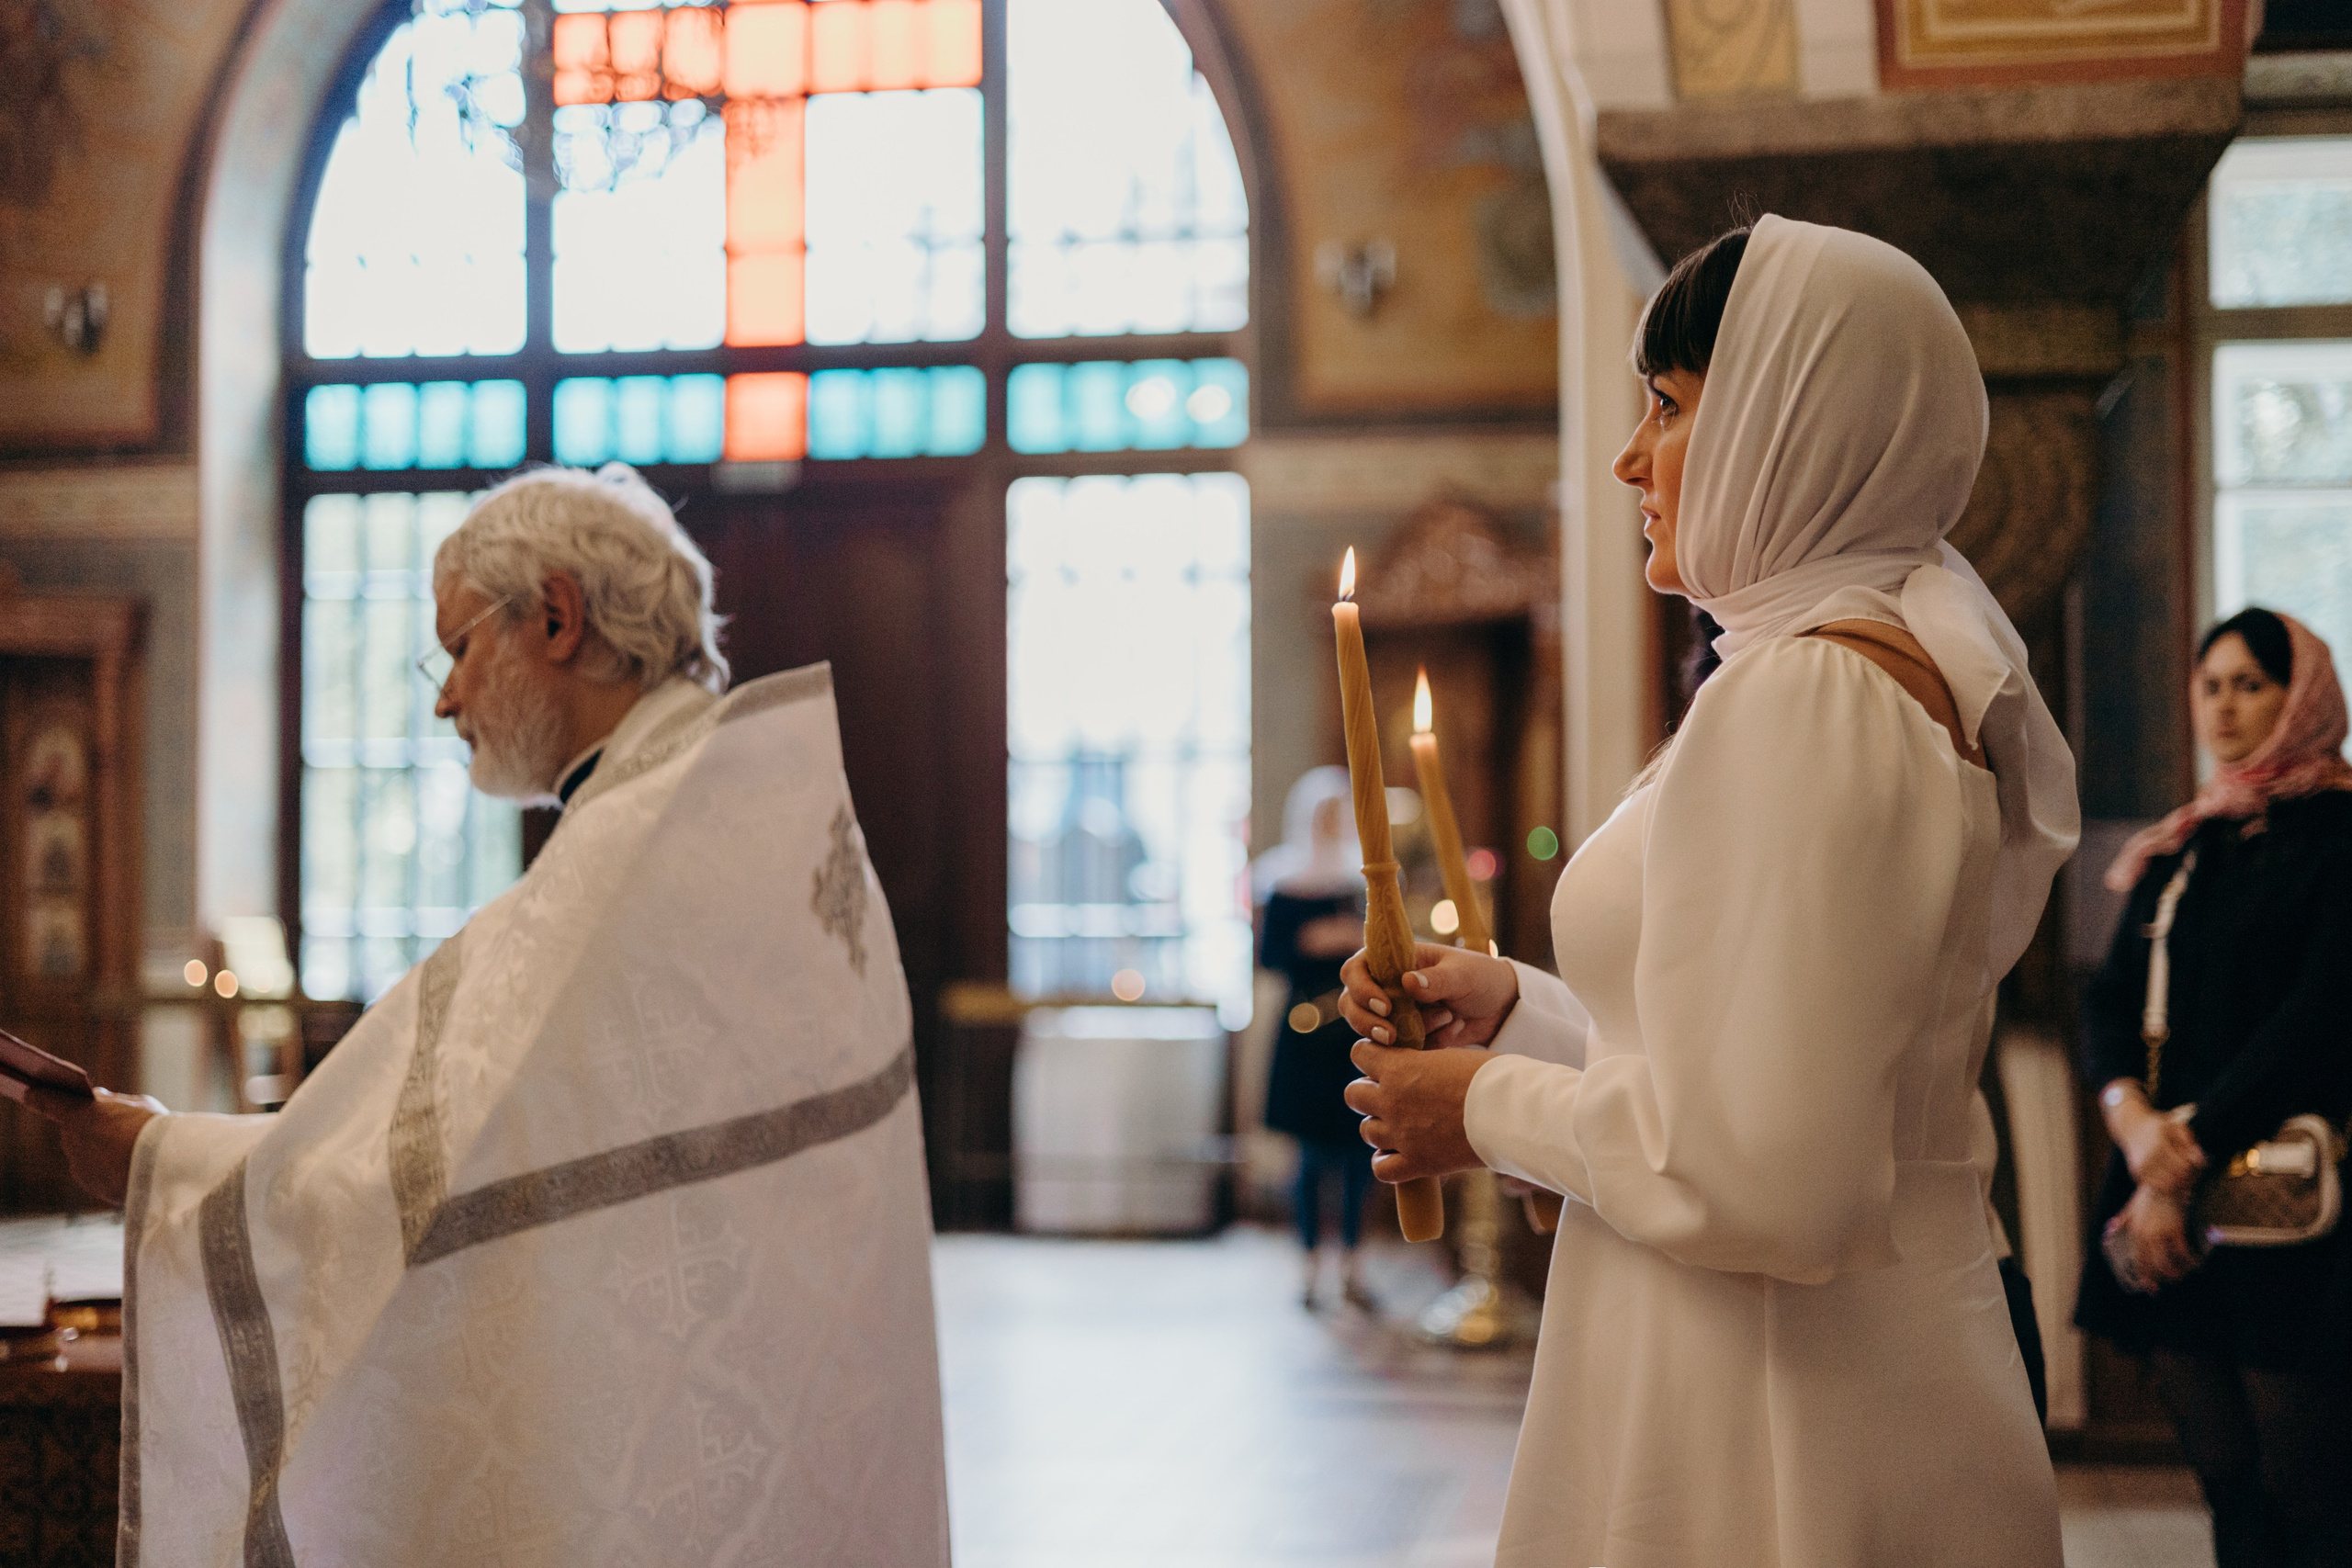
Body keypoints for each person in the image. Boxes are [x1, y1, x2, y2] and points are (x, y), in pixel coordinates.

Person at [28, 465, 950, 1567]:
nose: (443, 697)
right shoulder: (747, 805)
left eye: (459, 647)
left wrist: (158, 1161)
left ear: (554, 617)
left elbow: (414, 1166)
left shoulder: (635, 855)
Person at [1336, 217, 2078, 1565]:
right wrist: (1520, 1013)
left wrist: (1483, 1105)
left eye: (1669, 408)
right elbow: (1772, 1062)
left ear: (1800, 428)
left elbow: (1766, 1173)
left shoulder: (1815, 690)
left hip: (1783, 1395)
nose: (1630, 456)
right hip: (1810, 1348)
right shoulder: (1842, 666)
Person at [2075, 605, 2352, 1568]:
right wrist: (2128, 1117)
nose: (2224, 706)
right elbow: (2108, 1004)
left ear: (2300, 697)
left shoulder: (2338, 835)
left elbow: (2317, 1024)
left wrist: (2170, 1160)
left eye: (2250, 684)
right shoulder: (2184, 845)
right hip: (2173, 1196)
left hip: (2291, 1210)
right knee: (2226, 1482)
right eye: (2210, 684)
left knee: (2308, 1489)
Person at [1253, 767, 1374, 1308]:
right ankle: (1307, 1264)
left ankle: (1351, 1264)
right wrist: (1313, 940)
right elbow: (1270, 958)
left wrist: (1354, 938)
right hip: (1304, 1030)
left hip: (1352, 1028)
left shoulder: (1360, 881)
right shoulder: (1282, 880)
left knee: (1356, 1149)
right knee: (1308, 1156)